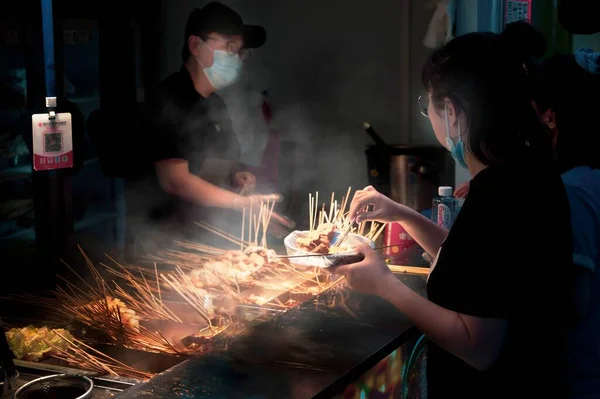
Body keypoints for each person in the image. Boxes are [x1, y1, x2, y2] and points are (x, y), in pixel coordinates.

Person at [337, 32, 573, 398]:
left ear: (452, 111)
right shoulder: (526, 174)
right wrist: (402, 214)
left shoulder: (499, 195)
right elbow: (477, 268)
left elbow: (477, 346)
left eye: (427, 104)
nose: (428, 114)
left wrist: (384, 284)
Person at [126, 3, 279, 257]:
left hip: (207, 235)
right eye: (230, 48)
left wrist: (236, 177)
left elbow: (218, 165)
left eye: (240, 52)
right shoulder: (167, 99)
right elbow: (176, 181)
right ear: (196, 46)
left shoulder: (216, 104)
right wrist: (242, 203)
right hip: (163, 240)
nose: (237, 58)